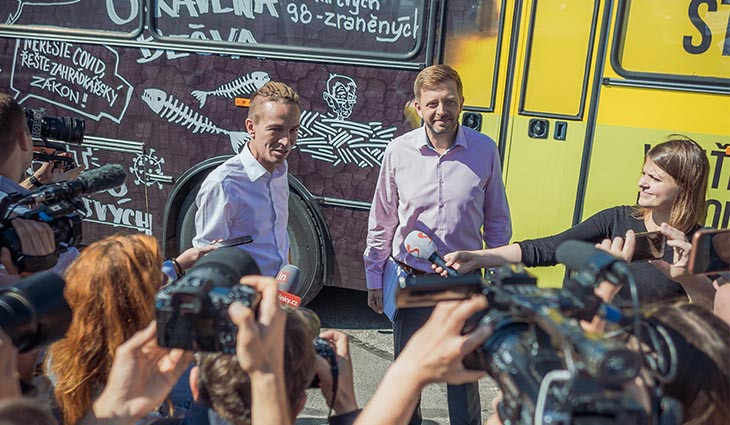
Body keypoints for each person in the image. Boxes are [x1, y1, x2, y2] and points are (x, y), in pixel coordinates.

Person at [363, 64, 511, 424]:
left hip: (463, 282)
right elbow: (382, 219)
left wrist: (496, 273)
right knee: (408, 374)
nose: (441, 111)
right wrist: (373, 277)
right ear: (418, 106)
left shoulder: (484, 150)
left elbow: (497, 220)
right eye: (432, 103)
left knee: (463, 373)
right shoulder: (398, 152)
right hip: (412, 281)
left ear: (462, 102)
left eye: (449, 101)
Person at [436, 136, 711, 308]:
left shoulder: (701, 245)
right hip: (598, 343)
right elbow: (548, 248)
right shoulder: (617, 218)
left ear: (685, 188)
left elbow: (712, 317)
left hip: (652, 359)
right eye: (643, 173)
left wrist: (688, 279)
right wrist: (478, 258)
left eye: (655, 178)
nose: (641, 183)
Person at [45, 233, 214, 425]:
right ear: (139, 305)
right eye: (157, 284)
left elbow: (115, 284)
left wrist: (176, 265)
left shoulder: (57, 358)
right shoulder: (174, 376)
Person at [193, 82, 301, 277]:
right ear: (251, 127)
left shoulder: (280, 169)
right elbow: (207, 260)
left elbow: (278, 235)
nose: (286, 141)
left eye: (293, 130)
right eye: (276, 129)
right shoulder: (223, 184)